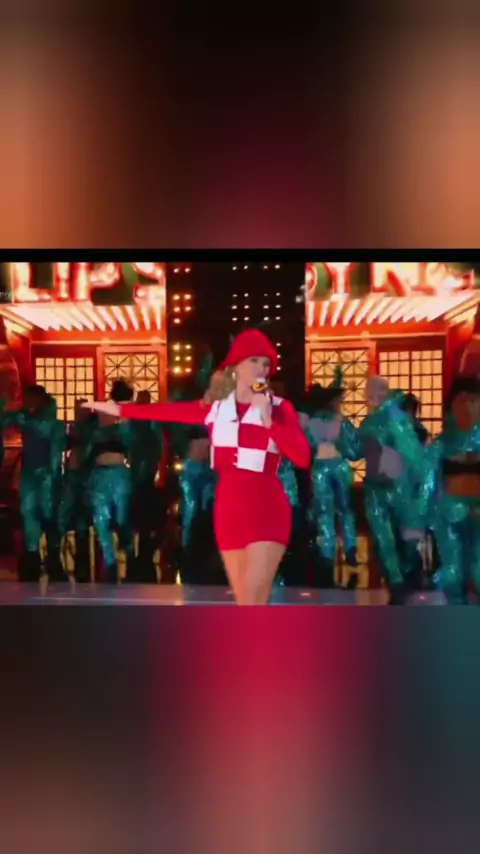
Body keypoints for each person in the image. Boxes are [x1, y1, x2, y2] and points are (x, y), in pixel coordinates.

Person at [85, 328, 311, 605]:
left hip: (267, 506)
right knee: (246, 601)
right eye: (254, 360)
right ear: (235, 366)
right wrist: (119, 409)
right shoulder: (216, 409)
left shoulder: (279, 408)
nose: (262, 368)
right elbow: (164, 412)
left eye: (266, 363)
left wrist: (268, 420)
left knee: (254, 595)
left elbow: (302, 457)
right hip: (229, 508)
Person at [359, 376, 425, 605]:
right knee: (384, 537)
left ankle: (404, 575)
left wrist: (418, 482)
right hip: (375, 486)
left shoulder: (395, 417)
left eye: (377, 390)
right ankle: (397, 582)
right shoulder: (371, 420)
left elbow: (412, 453)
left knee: (400, 537)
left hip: (397, 485)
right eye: (369, 391)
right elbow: (356, 451)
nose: (371, 395)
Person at [418, 376, 480, 604]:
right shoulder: (442, 444)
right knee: (453, 572)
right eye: (462, 400)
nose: (468, 406)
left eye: (474, 400)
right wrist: (421, 517)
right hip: (449, 514)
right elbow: (427, 481)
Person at [0, 385, 66, 582]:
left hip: (47, 475)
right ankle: (32, 558)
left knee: (49, 516)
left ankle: (52, 558)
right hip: (29, 474)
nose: (26, 402)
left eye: (29, 398)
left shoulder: (52, 423)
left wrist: (53, 475)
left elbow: (55, 449)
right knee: (29, 515)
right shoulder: (26, 418)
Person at [305, 367, 361, 588]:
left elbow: (307, 446)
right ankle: (350, 548)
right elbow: (352, 449)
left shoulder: (311, 422)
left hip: (320, 466)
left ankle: (327, 553)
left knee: (325, 511)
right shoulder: (342, 421)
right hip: (338, 465)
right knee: (345, 509)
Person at [87, 380, 136, 584]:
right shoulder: (108, 415)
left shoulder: (126, 418)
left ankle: (117, 560)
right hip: (109, 471)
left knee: (112, 518)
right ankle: (113, 562)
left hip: (111, 471)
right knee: (107, 518)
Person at [58, 398, 97, 582]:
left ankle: (82, 559)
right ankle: (63, 554)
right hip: (75, 473)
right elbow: (64, 444)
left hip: (83, 474)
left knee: (80, 513)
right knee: (68, 511)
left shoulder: (90, 428)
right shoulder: (77, 428)